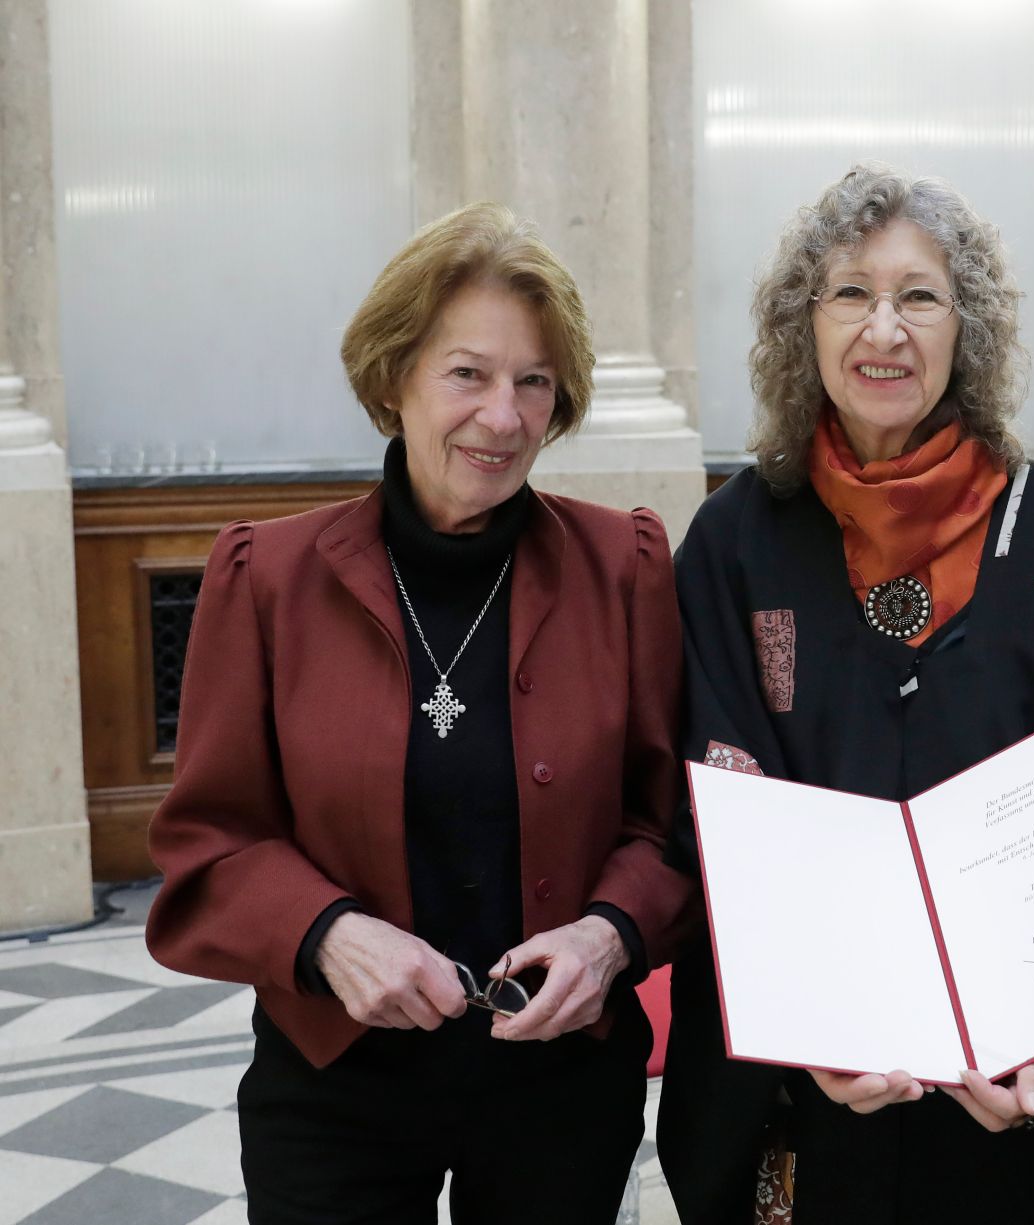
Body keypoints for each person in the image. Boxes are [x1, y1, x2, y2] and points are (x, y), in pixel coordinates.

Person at [145, 202, 693, 1224]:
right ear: (393, 377)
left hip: (559, 1089)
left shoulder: (623, 566)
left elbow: (667, 823)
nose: (504, 417)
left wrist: (607, 937)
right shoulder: (269, 578)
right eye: (468, 374)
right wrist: (328, 933)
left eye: (534, 382)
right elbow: (211, 840)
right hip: (334, 1086)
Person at [656, 164, 1034, 1225]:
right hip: (807, 1075)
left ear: (968, 328)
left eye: (919, 296)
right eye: (850, 293)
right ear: (804, 323)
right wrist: (815, 1019)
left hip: (1012, 1068)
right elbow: (712, 780)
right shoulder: (733, 540)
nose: (884, 329)